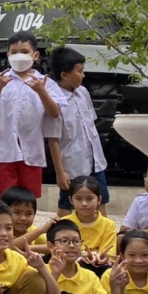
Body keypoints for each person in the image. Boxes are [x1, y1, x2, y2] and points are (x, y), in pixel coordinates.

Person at [0, 30, 61, 196]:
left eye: (24, 52)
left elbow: (54, 113)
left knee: (27, 200)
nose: (19, 56)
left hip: (31, 152)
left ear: (35, 55)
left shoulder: (45, 83)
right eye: (14, 52)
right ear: (8, 55)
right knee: (4, 198)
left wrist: (41, 92)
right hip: (4, 151)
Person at [44, 46, 109, 215]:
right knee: (67, 204)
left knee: (100, 200)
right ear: (65, 75)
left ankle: (104, 231)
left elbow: (91, 125)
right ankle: (60, 231)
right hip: (73, 165)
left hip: (95, 160)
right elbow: (53, 140)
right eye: (79, 71)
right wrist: (60, 172)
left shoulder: (83, 92)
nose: (83, 75)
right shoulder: (54, 101)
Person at [65, 174, 119, 273]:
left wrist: (100, 257)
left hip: (99, 267)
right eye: (78, 199)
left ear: (99, 200)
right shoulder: (64, 223)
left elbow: (109, 255)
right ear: (71, 200)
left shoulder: (108, 225)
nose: (84, 203)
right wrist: (81, 256)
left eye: (89, 198)